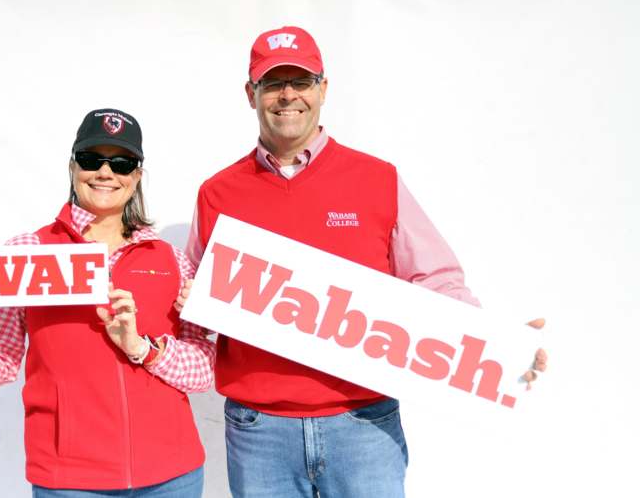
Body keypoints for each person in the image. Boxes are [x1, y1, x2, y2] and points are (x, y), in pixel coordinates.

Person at [184, 26, 548, 498]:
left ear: (323, 89)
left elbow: (435, 278)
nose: (288, 95)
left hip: (363, 425)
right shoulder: (218, 193)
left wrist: (491, 346)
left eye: (302, 81)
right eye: (273, 83)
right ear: (250, 93)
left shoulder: (377, 179)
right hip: (259, 431)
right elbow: (194, 307)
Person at [0, 108, 215, 498]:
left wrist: (143, 348)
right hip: (70, 481)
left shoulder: (173, 260)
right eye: (91, 159)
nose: (106, 172)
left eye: (121, 163)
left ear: (136, 177)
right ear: (73, 167)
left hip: (173, 476)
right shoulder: (27, 254)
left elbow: (205, 369)